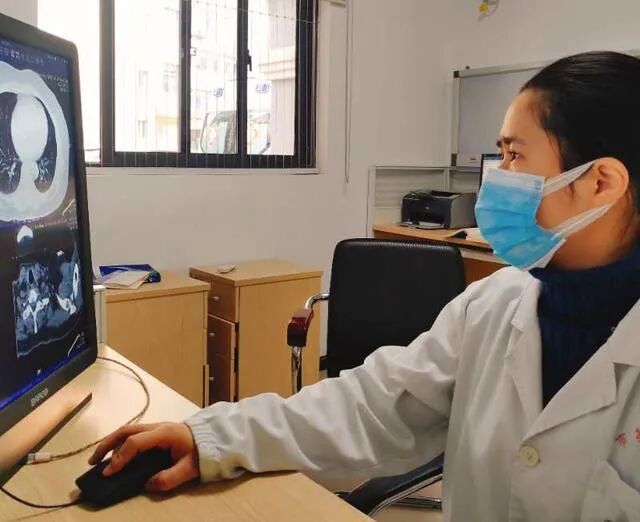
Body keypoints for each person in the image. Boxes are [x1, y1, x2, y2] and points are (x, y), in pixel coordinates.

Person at [90, 51, 640, 521]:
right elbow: (372, 406)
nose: (496, 179)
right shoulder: (495, 305)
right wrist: (213, 437)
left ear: (601, 182)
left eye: (514, 156)